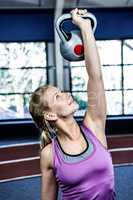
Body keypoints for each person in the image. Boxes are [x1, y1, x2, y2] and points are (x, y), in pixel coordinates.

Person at [29, 8, 116, 200]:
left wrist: (85, 27)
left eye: (61, 92)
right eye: (57, 96)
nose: (66, 94)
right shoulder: (50, 154)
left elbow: (96, 77)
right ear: (50, 115)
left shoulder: (94, 126)